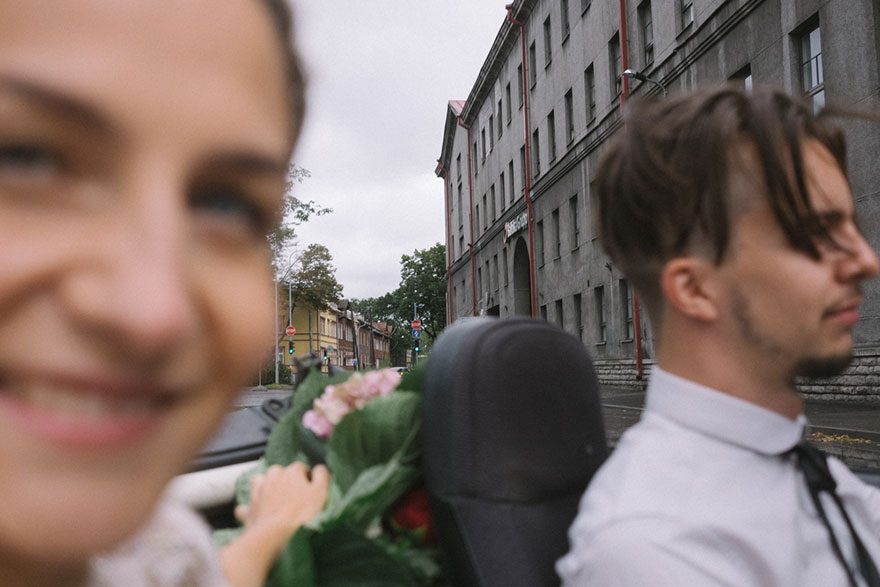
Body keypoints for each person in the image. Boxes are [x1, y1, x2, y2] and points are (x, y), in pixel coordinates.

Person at [0, 1, 329, 586]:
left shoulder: (163, 547)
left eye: (224, 204)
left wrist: (263, 536)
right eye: (25, 158)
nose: (153, 310)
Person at [557, 85, 880, 586]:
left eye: (853, 228)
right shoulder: (655, 549)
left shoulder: (809, 472)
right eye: (816, 233)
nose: (866, 261)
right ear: (694, 288)